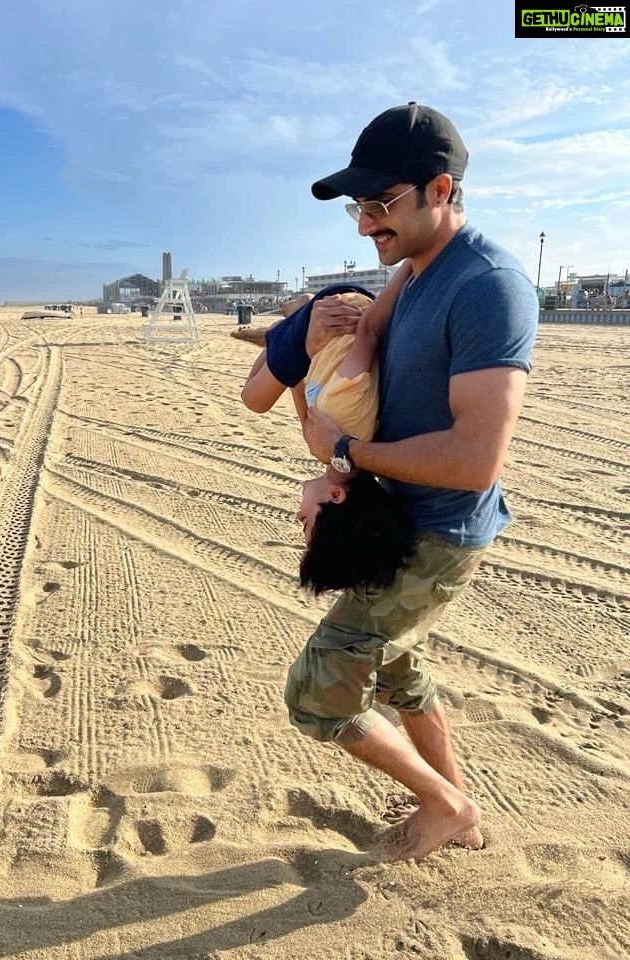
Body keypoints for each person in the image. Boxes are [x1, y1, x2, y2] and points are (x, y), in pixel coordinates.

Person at [262, 102, 539, 861]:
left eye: (380, 206)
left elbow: (475, 458)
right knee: (400, 671)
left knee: (318, 692)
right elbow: (376, 327)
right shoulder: (417, 272)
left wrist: (346, 450)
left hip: (438, 533)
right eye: (360, 208)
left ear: (440, 190)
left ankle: (446, 803)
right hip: (398, 518)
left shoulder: (488, 286)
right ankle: (465, 819)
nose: (363, 226)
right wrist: (314, 344)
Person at [240, 267, 417, 594]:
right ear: (336, 496)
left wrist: (288, 360)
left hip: (326, 342)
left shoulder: (338, 446)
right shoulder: (348, 419)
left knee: (278, 380)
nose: (297, 514)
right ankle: (290, 319)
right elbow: (368, 333)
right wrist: (406, 272)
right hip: (336, 311)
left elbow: (303, 391)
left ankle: (278, 335)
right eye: (305, 522)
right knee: (253, 400)